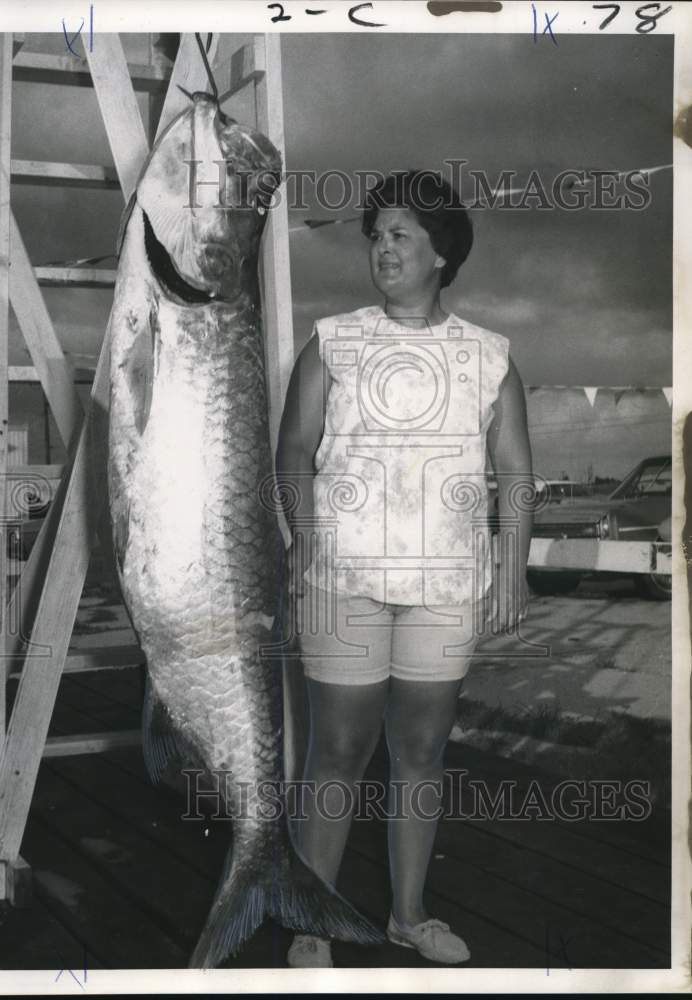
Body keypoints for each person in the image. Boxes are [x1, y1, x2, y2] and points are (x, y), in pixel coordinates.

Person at [275, 170, 534, 968]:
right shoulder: (335, 340)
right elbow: (293, 450)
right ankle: (312, 919)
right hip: (342, 577)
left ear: (442, 253)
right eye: (376, 235)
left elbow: (516, 475)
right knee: (338, 750)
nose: (382, 247)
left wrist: (513, 568)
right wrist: (305, 533)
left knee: (421, 751)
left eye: (400, 235)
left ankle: (407, 914)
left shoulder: (490, 358)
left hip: (446, 584)